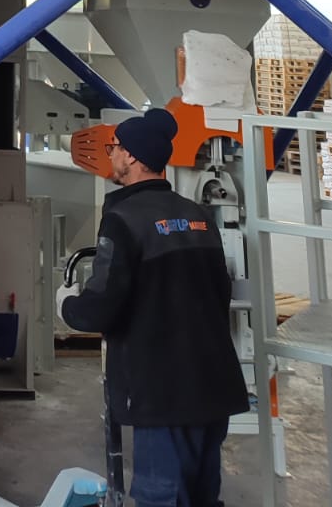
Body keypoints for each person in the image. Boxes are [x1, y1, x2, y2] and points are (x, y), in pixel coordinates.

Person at [60, 107, 248, 507]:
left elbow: (101, 308)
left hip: (164, 393)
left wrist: (67, 305)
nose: (111, 155)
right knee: (203, 497)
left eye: (114, 147)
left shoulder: (123, 219)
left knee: (161, 497)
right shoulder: (199, 217)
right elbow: (220, 293)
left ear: (130, 156)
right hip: (212, 386)